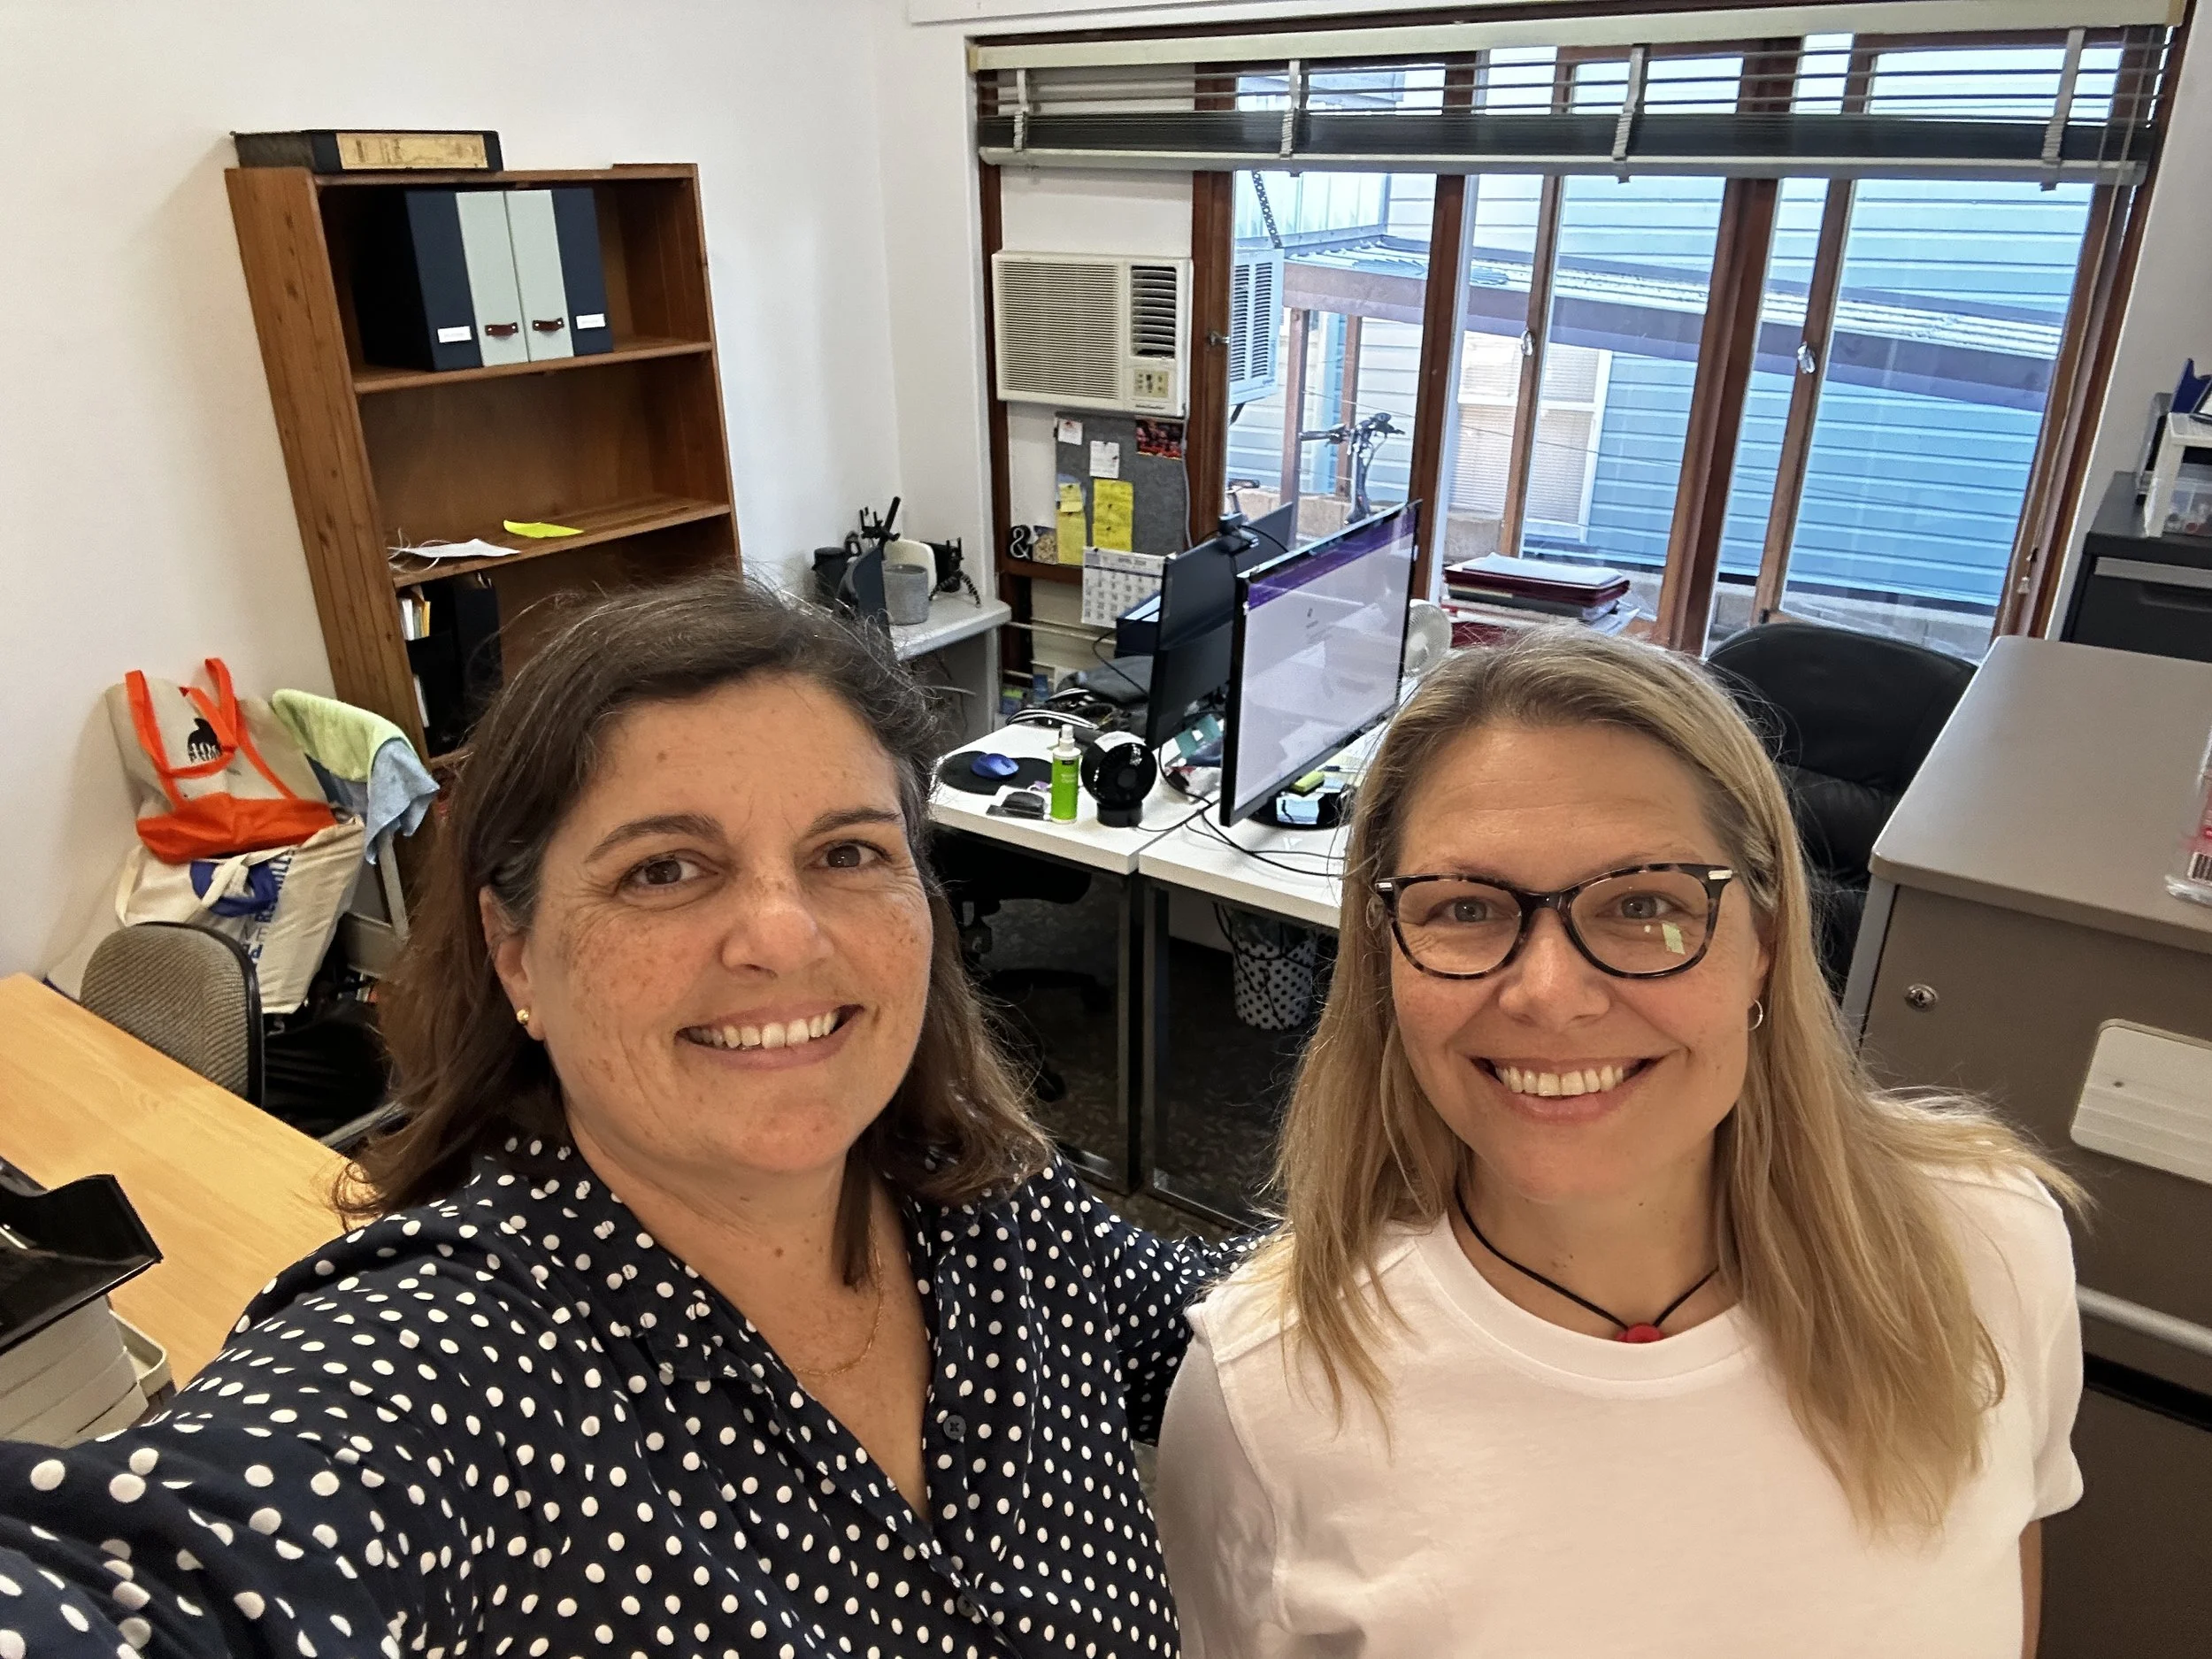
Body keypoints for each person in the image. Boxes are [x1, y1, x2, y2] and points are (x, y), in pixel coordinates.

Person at [0, 572, 1240, 1659]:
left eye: (849, 852)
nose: (781, 934)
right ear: (518, 952)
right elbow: (157, 1569)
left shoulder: (996, 1211)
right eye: (664, 868)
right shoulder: (454, 1361)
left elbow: (1221, 1318)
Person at [1154, 628, 2083, 1659]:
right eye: (1464, 907)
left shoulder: (1989, 1242)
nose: (1549, 996)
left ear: (1764, 946)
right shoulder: (1271, 1393)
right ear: (1384, 964)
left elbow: (2015, 1548)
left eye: (1644, 905)